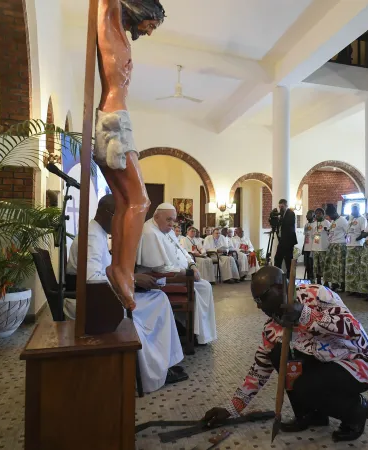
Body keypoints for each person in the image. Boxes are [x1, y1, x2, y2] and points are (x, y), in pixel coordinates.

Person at [201, 266, 368, 443]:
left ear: (280, 288)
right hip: (323, 363)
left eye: (261, 298)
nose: (257, 306)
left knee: (303, 385)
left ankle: (357, 411)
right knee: (278, 354)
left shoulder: (317, 294)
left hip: (356, 363)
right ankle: (311, 414)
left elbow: (353, 329)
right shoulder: (272, 327)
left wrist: (304, 314)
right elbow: (260, 369)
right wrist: (232, 409)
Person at [66, 195, 186, 391]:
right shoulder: (92, 237)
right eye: (120, 218)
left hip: (101, 296)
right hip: (93, 302)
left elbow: (104, 270)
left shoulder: (96, 232)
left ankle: (164, 365)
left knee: (158, 298)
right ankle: (154, 372)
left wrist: (128, 276)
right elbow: (92, 278)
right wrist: (133, 279)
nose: (122, 224)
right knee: (158, 301)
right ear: (107, 213)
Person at [92, 0, 165, 309]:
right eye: (150, 25)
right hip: (114, 121)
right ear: (140, 11)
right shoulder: (109, 20)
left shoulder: (119, 36)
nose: (148, 32)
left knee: (125, 200)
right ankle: (123, 269)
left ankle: (118, 268)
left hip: (113, 120)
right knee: (141, 200)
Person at [136, 203, 217, 345]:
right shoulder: (149, 232)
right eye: (168, 220)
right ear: (156, 217)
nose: (172, 224)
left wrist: (191, 264)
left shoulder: (167, 230)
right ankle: (193, 331)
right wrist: (187, 272)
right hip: (162, 279)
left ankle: (195, 331)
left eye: (173, 220)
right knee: (203, 288)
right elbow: (159, 268)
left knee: (205, 287)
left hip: (181, 275)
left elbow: (182, 250)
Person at [324, 205, 349, 291]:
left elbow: (348, 233)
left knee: (340, 265)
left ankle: (342, 284)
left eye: (330, 215)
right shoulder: (333, 221)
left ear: (334, 212)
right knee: (332, 265)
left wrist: (345, 243)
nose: (329, 217)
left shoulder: (343, 221)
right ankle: (334, 283)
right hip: (332, 244)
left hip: (340, 245)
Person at [345, 204, 367, 296]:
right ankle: (351, 288)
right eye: (351, 209)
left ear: (358, 209)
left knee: (357, 268)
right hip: (349, 245)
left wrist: (357, 239)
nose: (352, 211)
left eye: (354, 209)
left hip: (358, 246)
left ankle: (358, 290)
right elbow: (348, 231)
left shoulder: (362, 219)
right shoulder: (351, 219)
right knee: (350, 268)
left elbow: (363, 233)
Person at [274, 199, 298, 277]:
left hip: (288, 241)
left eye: (282, 206)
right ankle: (277, 275)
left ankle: (289, 277)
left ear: (286, 205)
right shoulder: (281, 215)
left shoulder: (291, 213)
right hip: (282, 241)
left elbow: (288, 224)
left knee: (288, 260)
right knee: (277, 258)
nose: (281, 208)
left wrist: (281, 218)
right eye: (279, 206)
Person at [310, 207, 331, 285]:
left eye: (320, 213)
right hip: (315, 248)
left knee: (324, 266)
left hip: (323, 248)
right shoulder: (313, 224)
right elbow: (312, 235)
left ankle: (326, 282)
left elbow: (331, 233)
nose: (318, 215)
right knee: (316, 266)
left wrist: (327, 231)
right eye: (317, 213)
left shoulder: (327, 223)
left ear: (323, 214)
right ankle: (318, 281)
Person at [302, 210, 316, 281]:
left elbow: (316, 237)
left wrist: (315, 246)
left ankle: (312, 277)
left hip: (312, 248)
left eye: (309, 214)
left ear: (313, 215)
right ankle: (308, 277)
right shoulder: (306, 225)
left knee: (311, 264)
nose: (307, 215)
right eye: (307, 214)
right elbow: (305, 237)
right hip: (306, 248)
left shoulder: (315, 225)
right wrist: (303, 247)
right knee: (306, 264)